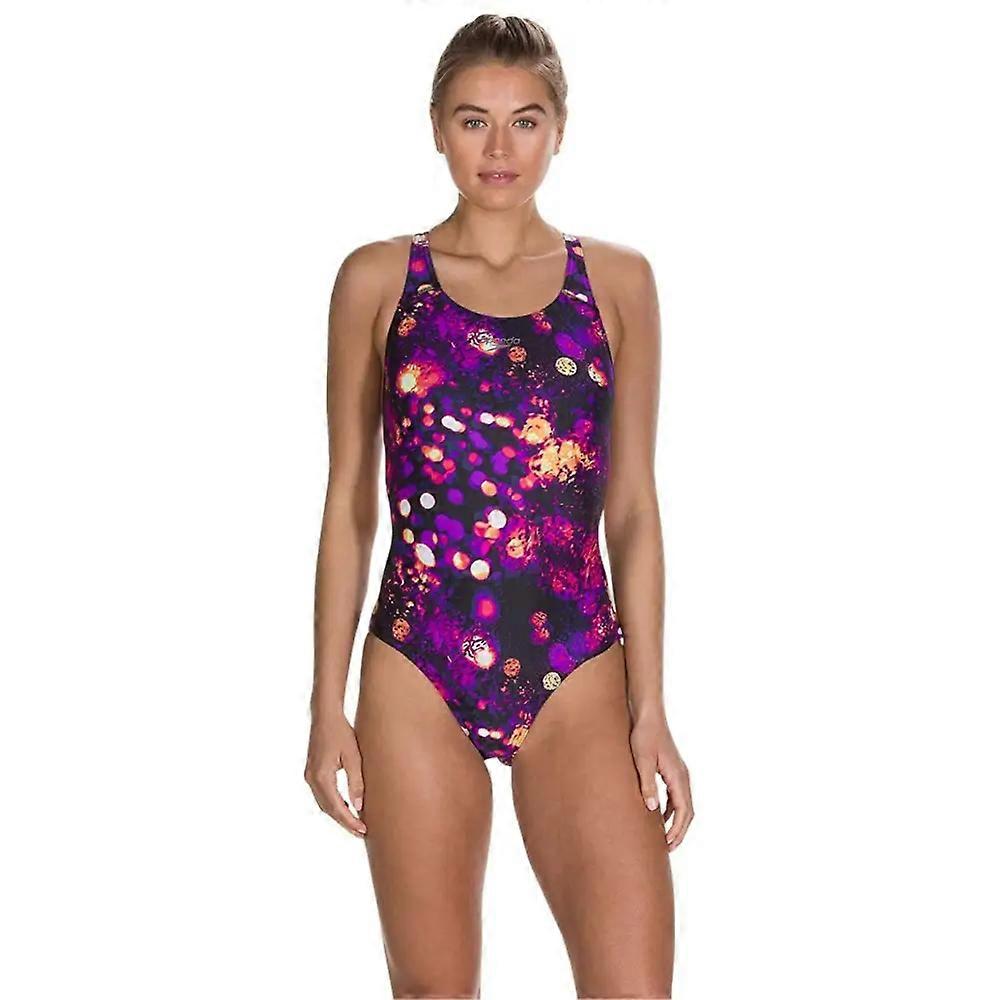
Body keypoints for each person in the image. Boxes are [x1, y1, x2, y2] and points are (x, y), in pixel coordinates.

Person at [306, 14, 693, 999]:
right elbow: (349, 503)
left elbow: (633, 508)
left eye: (525, 120)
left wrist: (650, 706)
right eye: (473, 120)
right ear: (436, 126)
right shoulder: (378, 280)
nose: (498, 147)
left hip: (577, 665)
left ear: (559, 128)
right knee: (435, 991)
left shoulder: (617, 283)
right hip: (417, 662)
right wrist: (324, 704)